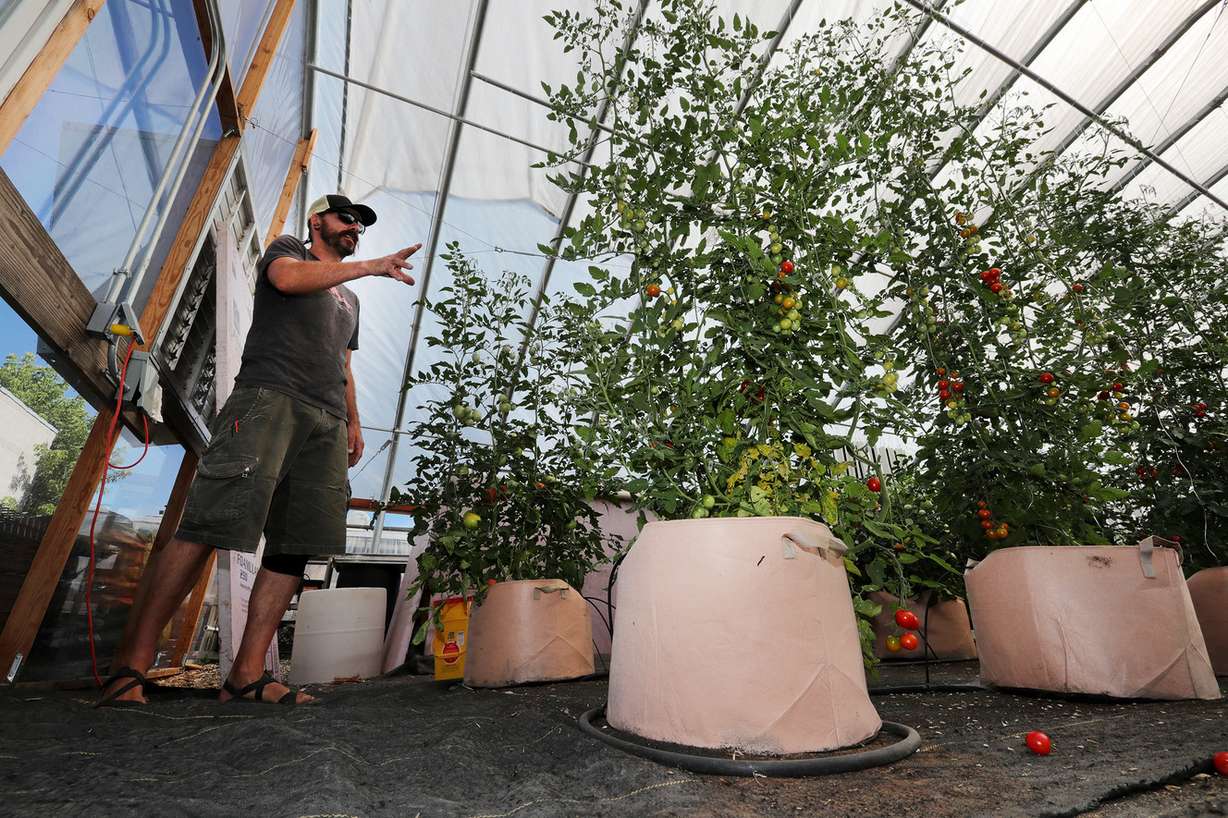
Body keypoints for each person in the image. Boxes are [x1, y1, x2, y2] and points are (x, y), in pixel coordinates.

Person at [97, 194, 420, 706]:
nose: (355, 226)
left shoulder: (349, 301)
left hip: (327, 422)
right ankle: (129, 668)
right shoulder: (290, 249)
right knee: (210, 523)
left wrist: (354, 422)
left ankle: (247, 675)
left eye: (361, 223)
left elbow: (344, 363)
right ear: (317, 220)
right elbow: (287, 280)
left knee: (295, 546)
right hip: (269, 399)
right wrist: (372, 267)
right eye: (345, 217)